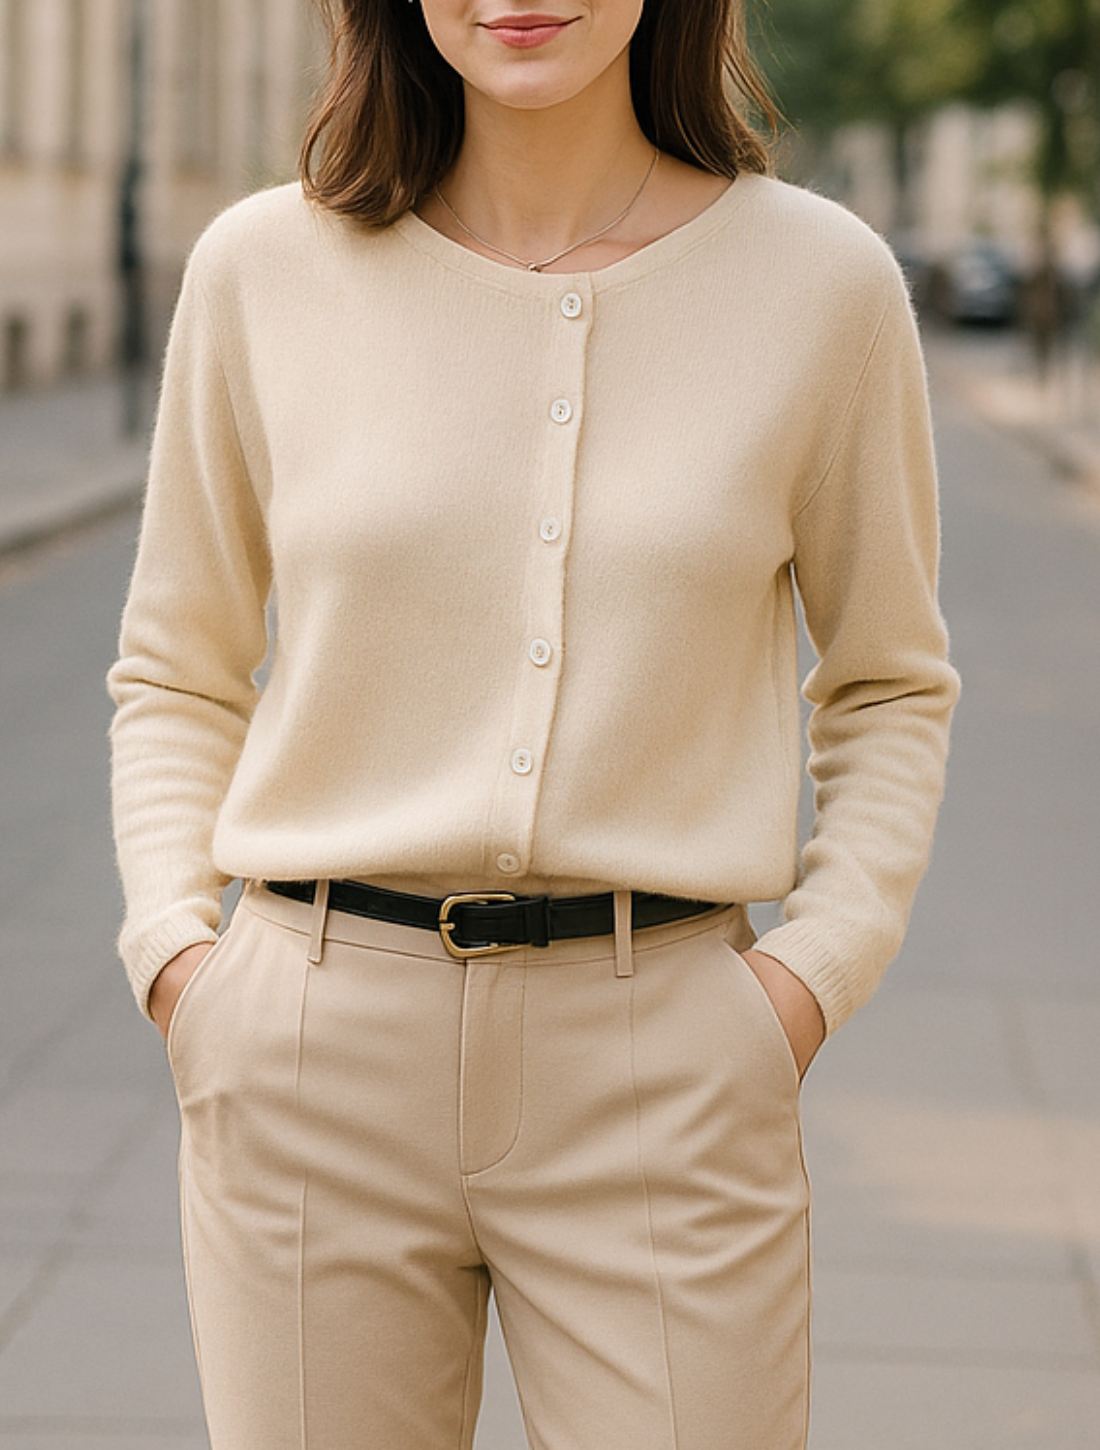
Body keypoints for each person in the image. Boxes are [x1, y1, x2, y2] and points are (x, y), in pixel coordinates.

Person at [108, 0, 960, 1445]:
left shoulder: (823, 288)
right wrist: (182, 963)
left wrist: (804, 981)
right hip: (313, 1051)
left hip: (666, 1064)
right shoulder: (262, 271)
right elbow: (178, 667)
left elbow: (888, 682)